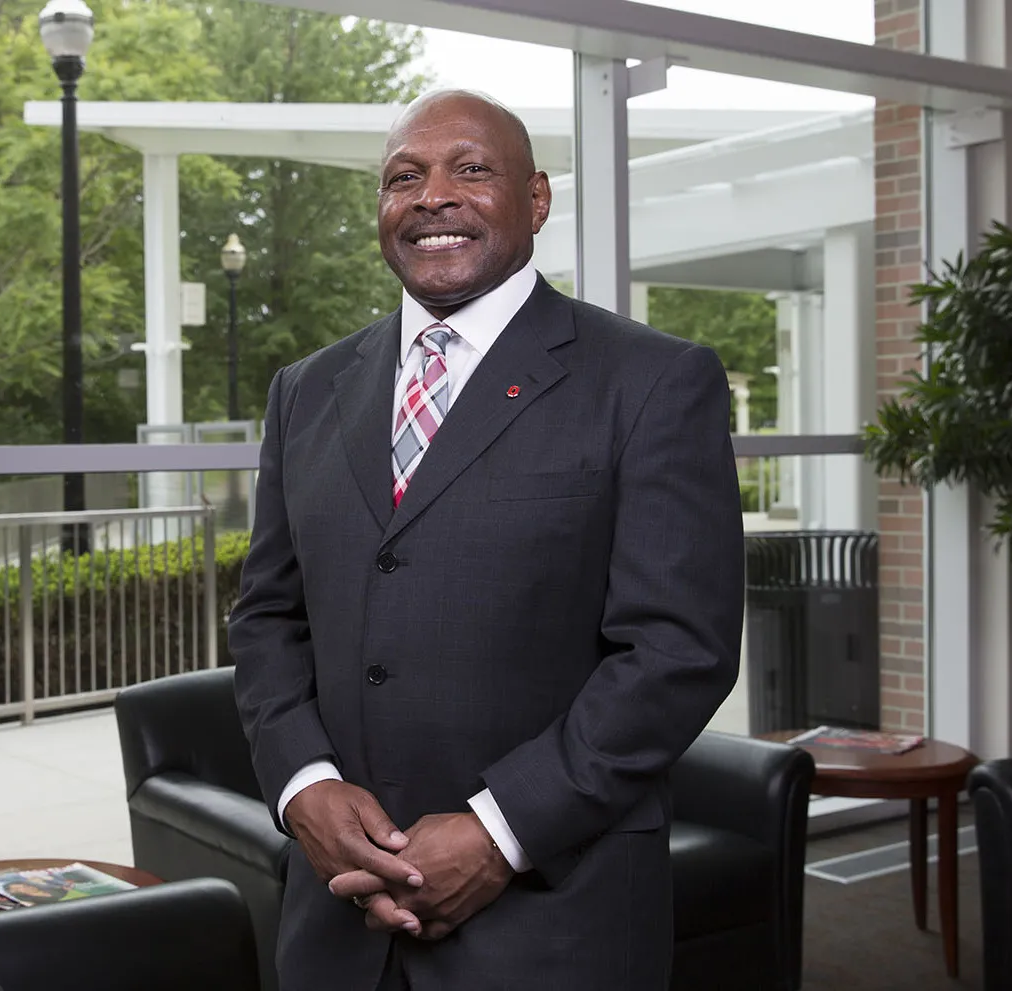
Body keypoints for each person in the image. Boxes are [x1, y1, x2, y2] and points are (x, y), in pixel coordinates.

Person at [227, 88, 743, 991]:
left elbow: (676, 650)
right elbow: (268, 615)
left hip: (554, 920)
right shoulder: (304, 391)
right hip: (337, 922)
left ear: (536, 200)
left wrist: (502, 830)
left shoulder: (655, 381)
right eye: (404, 177)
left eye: (471, 169)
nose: (433, 195)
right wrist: (303, 783)